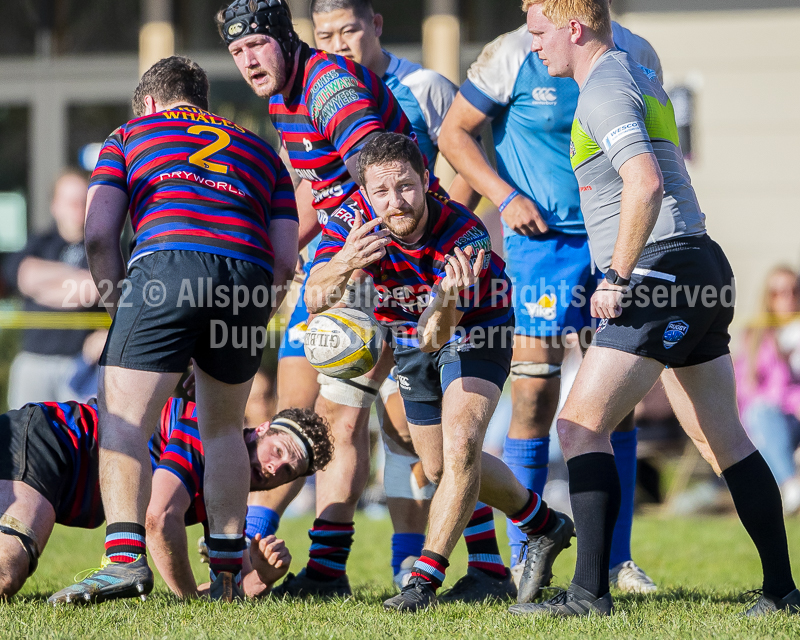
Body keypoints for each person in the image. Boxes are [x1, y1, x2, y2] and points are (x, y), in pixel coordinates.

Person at [510, 0, 799, 618]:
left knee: (579, 426)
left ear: (574, 28)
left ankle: (589, 593)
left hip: (660, 269)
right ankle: (781, 591)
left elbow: (644, 181)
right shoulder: (635, 71)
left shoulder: (602, 89)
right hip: (699, 263)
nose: (533, 46)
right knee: (722, 435)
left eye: (538, 32)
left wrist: (616, 275)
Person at [49, 55, 299, 605]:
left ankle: (122, 563)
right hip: (248, 277)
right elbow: (285, 262)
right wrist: (259, 310)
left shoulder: (129, 134)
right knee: (224, 430)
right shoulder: (262, 152)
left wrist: (124, 313)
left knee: (123, 420)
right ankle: (229, 576)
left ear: (153, 103)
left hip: (166, 265)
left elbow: (97, 235)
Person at [438, 0, 661, 596]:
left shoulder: (633, 52)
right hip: (541, 245)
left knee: (616, 400)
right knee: (534, 391)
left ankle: (617, 560)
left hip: (611, 238)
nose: (526, 14)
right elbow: (454, 133)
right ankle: (525, 554)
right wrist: (504, 197)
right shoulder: (513, 52)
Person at [218, 0, 437, 597]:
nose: (248, 61)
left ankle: (335, 569)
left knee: (355, 423)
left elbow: (382, 183)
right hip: (340, 261)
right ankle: (269, 554)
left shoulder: (330, 86)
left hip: (388, 259)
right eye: (237, 52)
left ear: (285, 40)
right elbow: (319, 190)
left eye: (257, 45)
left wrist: (341, 265)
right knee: (304, 418)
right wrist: (281, 263)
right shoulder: (281, 100)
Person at [305, 132, 574, 612]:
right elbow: (313, 300)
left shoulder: (464, 235)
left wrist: (447, 296)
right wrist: (344, 262)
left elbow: (437, 335)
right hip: (408, 333)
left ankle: (423, 581)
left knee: (462, 442)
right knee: (437, 466)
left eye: (406, 187)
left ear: (426, 180)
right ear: (365, 192)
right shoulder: (350, 220)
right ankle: (540, 526)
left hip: (475, 326)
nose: (396, 202)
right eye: (382, 192)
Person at [310, 0, 485, 591]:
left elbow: (466, 146)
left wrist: (439, 235)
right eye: (324, 34)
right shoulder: (308, 98)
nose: (337, 42)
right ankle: (379, 560)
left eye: (348, 29)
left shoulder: (423, 85)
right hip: (365, 284)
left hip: (446, 296)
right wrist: (335, 265)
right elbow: (314, 287)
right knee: (392, 435)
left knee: (447, 443)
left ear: (375, 25)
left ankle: (453, 564)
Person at [0, 395, 332, 600]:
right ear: (262, 429)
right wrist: (188, 599)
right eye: (277, 451)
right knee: (6, 573)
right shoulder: (208, 432)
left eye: (288, 470)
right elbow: (158, 518)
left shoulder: (229, 493)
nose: (275, 468)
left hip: (55, 472)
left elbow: (227, 593)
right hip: (51, 442)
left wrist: (262, 575)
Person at [2, 169, 102, 407]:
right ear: (55, 205)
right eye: (70, 201)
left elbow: (92, 290)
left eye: (83, 200)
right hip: (34, 364)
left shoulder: (105, 247)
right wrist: (79, 281)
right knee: (24, 439)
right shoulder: (39, 242)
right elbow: (25, 276)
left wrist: (45, 285)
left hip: (84, 367)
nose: (77, 207)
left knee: (82, 441)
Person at [735, 266, 800, 515]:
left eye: (794, 290)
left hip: (793, 419)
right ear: (769, 297)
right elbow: (748, 390)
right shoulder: (756, 336)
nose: (789, 298)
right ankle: (790, 486)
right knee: (761, 415)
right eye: (779, 292)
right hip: (769, 419)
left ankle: (773, 498)